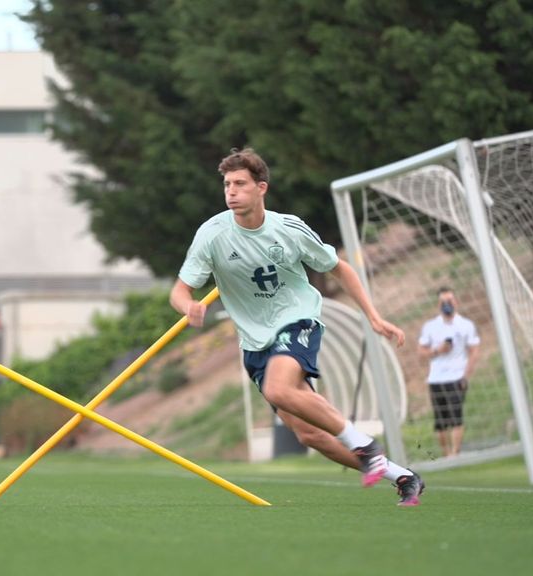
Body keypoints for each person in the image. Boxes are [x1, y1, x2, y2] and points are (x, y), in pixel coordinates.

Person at [170, 148, 425, 506]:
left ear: (261, 188)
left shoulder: (288, 228)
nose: (231, 191)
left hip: (297, 317)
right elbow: (180, 291)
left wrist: (373, 316)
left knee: (278, 389)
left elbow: (340, 267)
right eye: (227, 184)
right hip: (253, 341)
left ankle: (366, 446)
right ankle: (402, 475)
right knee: (309, 435)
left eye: (240, 184)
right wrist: (188, 306)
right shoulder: (212, 235)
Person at [418, 287, 480, 457]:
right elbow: (421, 352)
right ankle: (446, 455)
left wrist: (466, 374)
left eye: (450, 301)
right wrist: (438, 350)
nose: (447, 305)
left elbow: (474, 350)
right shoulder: (430, 326)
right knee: (440, 421)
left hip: (457, 377)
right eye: (443, 302)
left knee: (456, 417)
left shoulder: (466, 325)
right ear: (438, 304)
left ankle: (455, 453)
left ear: (456, 302)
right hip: (436, 379)